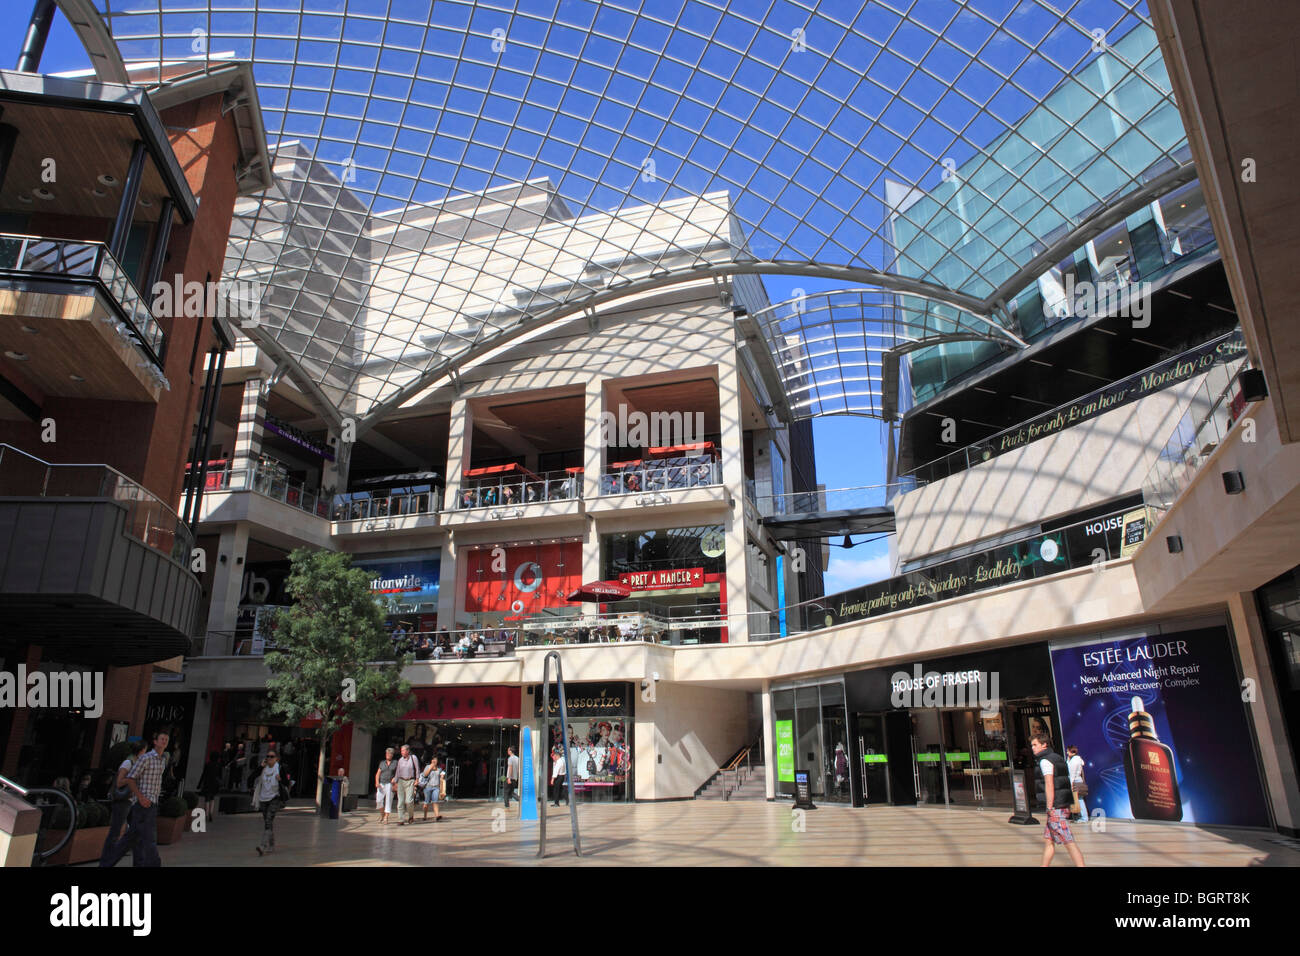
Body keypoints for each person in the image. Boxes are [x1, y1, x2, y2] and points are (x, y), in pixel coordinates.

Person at [100, 730, 169, 868]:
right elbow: (131, 778)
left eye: (166, 739)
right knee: (149, 839)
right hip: (143, 804)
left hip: (152, 803)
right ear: (155, 742)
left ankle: (107, 864)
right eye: (162, 739)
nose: (164, 741)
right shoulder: (146, 758)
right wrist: (141, 797)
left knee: (133, 838)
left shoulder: (162, 761)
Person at [1031, 733, 1085, 867]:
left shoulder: (1045, 761)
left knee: (1068, 841)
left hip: (1056, 807)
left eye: (1035, 745)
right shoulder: (1057, 757)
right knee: (1049, 841)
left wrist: (1049, 807)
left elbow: (1049, 784)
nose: (1033, 748)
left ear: (1044, 744)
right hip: (1063, 803)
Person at [100, 738, 147, 863]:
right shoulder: (128, 762)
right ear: (141, 750)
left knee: (137, 832)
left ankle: (138, 863)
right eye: (145, 750)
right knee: (115, 832)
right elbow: (119, 782)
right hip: (123, 801)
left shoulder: (136, 763)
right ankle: (105, 861)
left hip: (132, 801)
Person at [251, 751, 290, 856]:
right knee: (268, 822)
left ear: (276, 758)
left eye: (272, 756)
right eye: (267, 756)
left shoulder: (280, 768)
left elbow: (287, 783)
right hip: (263, 798)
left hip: (274, 797)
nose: (269, 758)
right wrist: (260, 767)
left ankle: (262, 846)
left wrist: (280, 779)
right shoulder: (263, 768)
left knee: (268, 821)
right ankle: (272, 845)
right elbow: (251, 778)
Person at [393, 744, 421, 825]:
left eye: (403, 750)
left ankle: (411, 816)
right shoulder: (400, 760)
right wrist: (395, 781)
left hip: (410, 781)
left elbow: (417, 768)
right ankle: (401, 819)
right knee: (400, 801)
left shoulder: (413, 758)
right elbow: (397, 772)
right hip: (401, 781)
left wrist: (417, 779)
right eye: (401, 751)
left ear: (408, 751)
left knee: (409, 801)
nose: (401, 752)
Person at [374, 748, 397, 824]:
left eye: (389, 754)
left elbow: (398, 773)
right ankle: (382, 814)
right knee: (379, 800)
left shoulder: (395, 763)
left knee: (388, 801)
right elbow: (378, 773)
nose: (388, 755)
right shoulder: (382, 763)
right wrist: (377, 782)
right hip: (381, 783)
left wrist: (395, 778)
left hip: (390, 784)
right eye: (387, 753)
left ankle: (386, 817)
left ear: (392, 755)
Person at [420, 756, 446, 822]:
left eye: (435, 759)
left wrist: (442, 777)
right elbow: (424, 775)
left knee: (435, 801)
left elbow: (441, 777)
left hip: (436, 787)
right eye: (433, 759)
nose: (434, 761)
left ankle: (437, 815)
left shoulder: (439, 769)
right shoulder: (427, 767)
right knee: (426, 802)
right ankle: (425, 816)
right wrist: (430, 768)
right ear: (431, 760)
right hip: (428, 786)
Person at [198, 750, 223, 820]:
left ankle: (206, 814)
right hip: (215, 783)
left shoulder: (208, 764)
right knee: (212, 798)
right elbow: (220, 776)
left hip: (207, 782)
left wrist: (199, 784)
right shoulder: (219, 765)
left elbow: (204, 775)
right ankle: (211, 813)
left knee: (207, 798)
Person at [1067, 745, 1089, 822]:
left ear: (1071, 751)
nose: (1067, 752)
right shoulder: (1078, 759)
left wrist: (1071, 784)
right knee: (1079, 799)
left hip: (1075, 781)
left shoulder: (1074, 761)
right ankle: (1082, 816)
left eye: (1068, 751)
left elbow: (1072, 774)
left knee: (1079, 799)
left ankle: (1084, 817)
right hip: (1079, 780)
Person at [504, 745, 521, 809]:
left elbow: (510, 768)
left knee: (506, 792)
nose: (507, 751)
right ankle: (520, 800)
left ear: (510, 751)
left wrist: (509, 778)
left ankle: (506, 806)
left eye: (508, 750)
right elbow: (518, 769)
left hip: (510, 778)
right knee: (511, 792)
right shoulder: (517, 758)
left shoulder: (510, 758)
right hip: (515, 778)